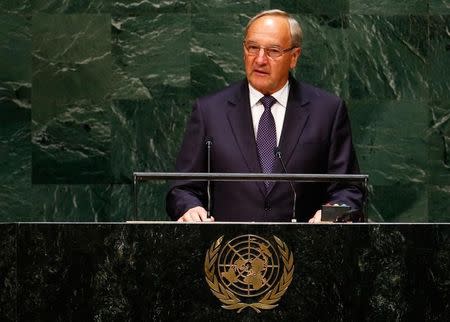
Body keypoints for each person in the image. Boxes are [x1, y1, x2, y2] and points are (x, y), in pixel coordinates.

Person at [166, 10, 362, 223]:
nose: (260, 59)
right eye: (253, 48)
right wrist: (190, 208)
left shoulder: (328, 111)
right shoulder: (209, 111)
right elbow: (182, 189)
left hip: (304, 250)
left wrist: (331, 214)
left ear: (294, 57)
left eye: (273, 51)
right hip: (230, 252)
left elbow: (349, 191)